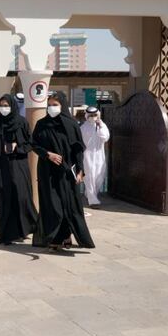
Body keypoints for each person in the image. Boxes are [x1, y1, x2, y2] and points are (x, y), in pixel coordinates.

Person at [31, 92, 95, 251]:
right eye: (50, 104)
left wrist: (81, 170)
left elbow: (78, 149)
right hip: (47, 171)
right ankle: (54, 237)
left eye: (55, 104)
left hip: (67, 172)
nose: (52, 108)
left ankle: (66, 237)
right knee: (53, 205)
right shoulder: (41, 124)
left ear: (62, 106)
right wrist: (48, 155)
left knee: (68, 204)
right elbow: (33, 144)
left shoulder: (71, 124)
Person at [0, 94, 38, 244]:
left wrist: (17, 147)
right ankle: (7, 234)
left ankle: (24, 229)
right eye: (1, 105)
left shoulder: (22, 123)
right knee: (3, 199)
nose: (4, 108)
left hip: (19, 166)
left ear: (12, 106)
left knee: (21, 198)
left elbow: (30, 144)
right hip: (0, 168)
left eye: (6, 105)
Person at [80, 106, 110, 207]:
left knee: (99, 176)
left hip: (99, 154)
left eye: (94, 115)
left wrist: (100, 125)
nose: (93, 117)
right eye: (91, 115)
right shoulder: (83, 127)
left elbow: (105, 137)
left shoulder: (102, 125)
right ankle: (93, 201)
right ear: (87, 115)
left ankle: (89, 194)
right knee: (89, 177)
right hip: (87, 155)